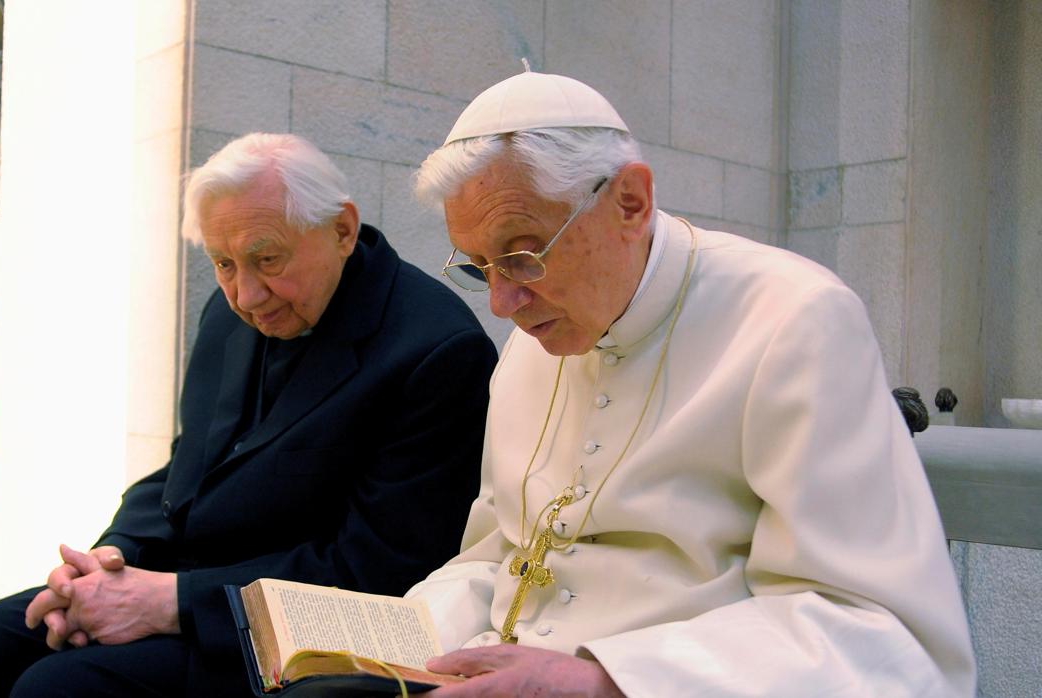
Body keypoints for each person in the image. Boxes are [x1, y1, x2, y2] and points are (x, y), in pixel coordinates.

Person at [404, 70, 976, 696]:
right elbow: (498, 555)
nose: (502, 303)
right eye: (479, 266)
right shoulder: (530, 345)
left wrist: (603, 683)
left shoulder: (795, 319)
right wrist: (396, 633)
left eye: (523, 253)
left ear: (630, 201)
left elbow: (875, 631)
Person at [0, 133, 498, 697]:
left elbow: (380, 568)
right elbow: (185, 470)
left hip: (290, 636)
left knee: (56, 689)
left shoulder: (437, 350)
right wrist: (107, 563)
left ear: (342, 230)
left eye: (267, 259)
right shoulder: (231, 309)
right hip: (181, 582)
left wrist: (173, 603)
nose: (246, 295)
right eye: (223, 263)